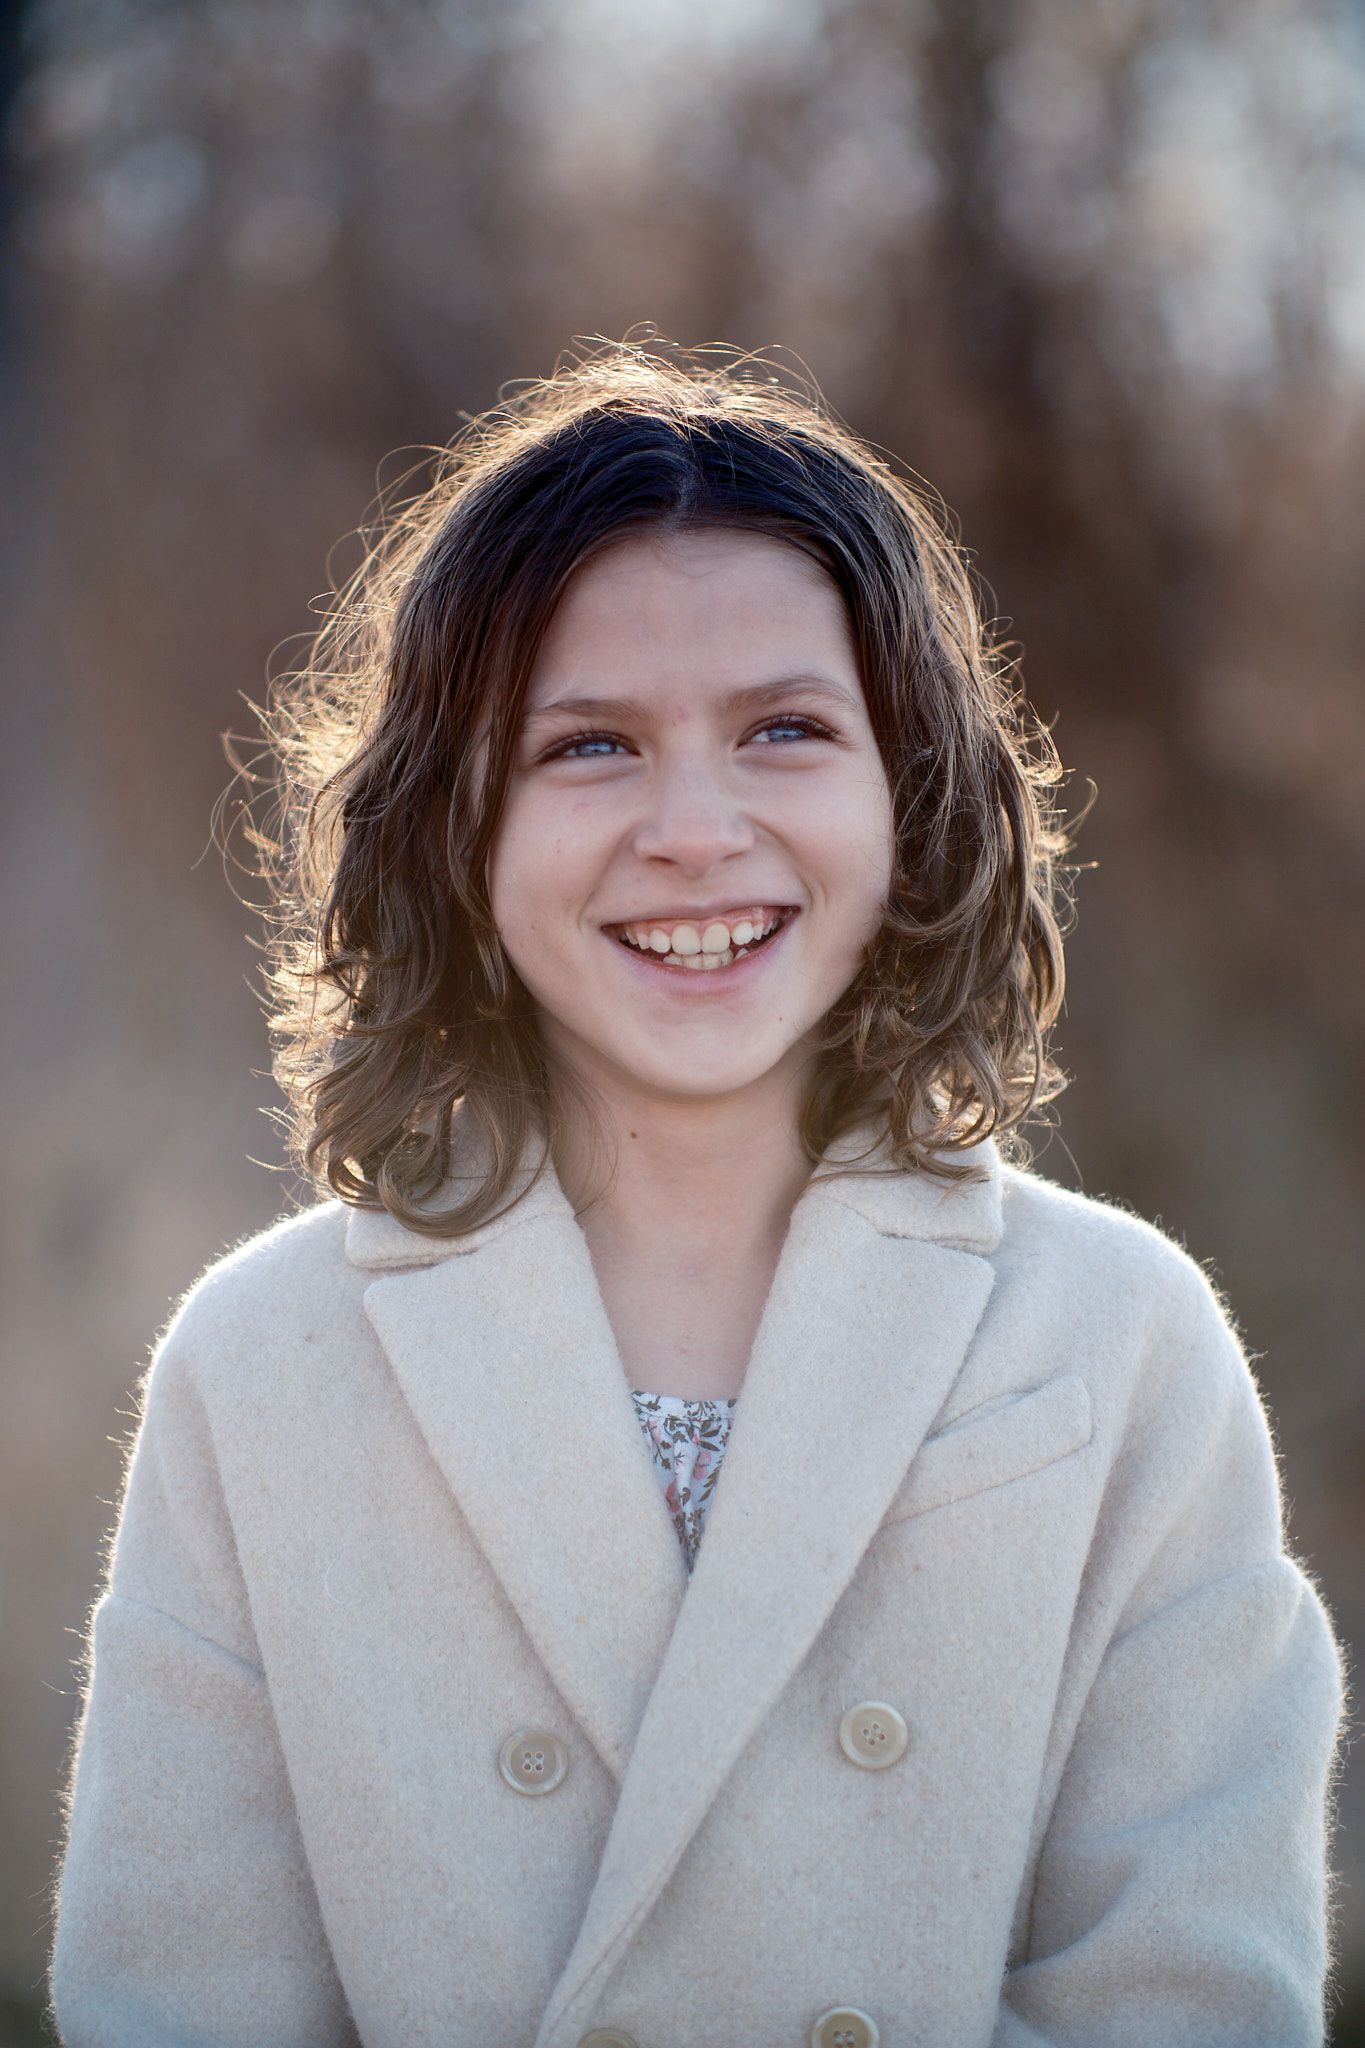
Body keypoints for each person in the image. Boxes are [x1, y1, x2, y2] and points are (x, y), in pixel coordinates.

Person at [47, 339, 1345, 2048]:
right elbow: (177, 2004)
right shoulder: (263, 1365)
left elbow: (1190, 1997)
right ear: (459, 825)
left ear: (910, 799)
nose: (692, 827)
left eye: (785, 730)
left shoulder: (1117, 1339)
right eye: (588, 748)